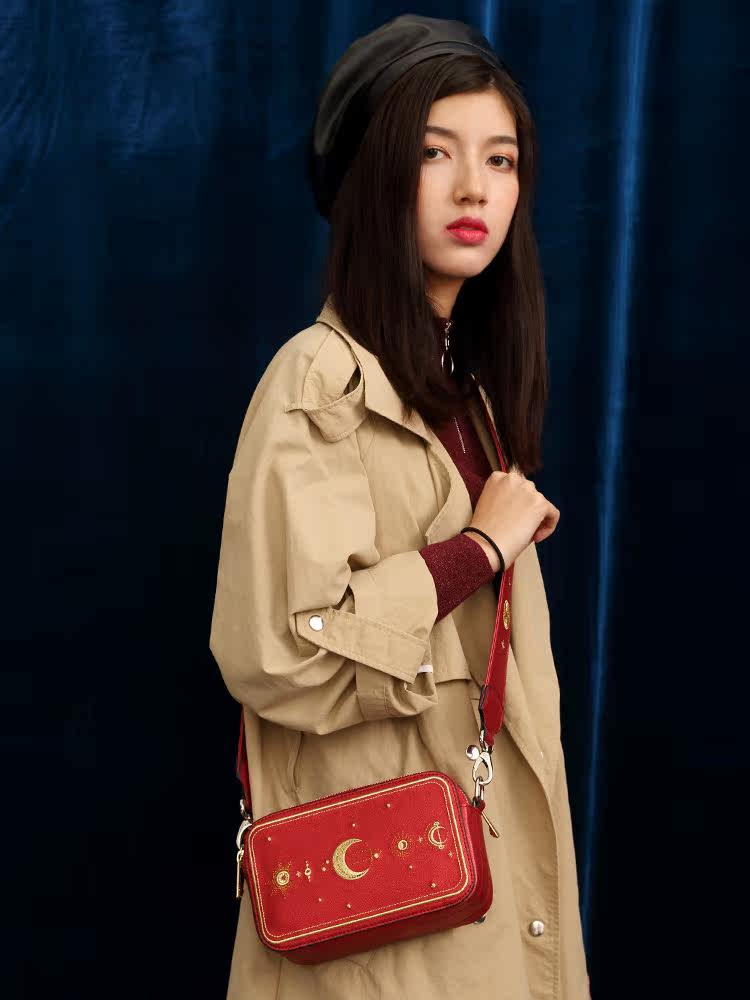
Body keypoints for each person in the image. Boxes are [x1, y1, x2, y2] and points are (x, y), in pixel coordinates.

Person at [209, 14, 591, 1000]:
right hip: (383, 929)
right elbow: (282, 653)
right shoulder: (319, 383)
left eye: (500, 159)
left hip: (488, 892)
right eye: (434, 153)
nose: (475, 189)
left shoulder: (472, 396)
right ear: (369, 179)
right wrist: (477, 549)